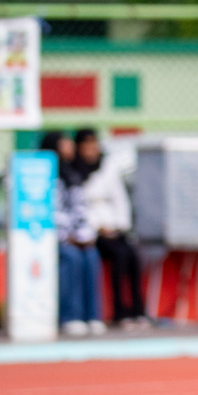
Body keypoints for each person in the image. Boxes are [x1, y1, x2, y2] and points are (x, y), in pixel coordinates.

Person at [76, 129, 150, 331]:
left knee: (132, 255)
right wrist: (97, 227)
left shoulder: (107, 166)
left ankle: (138, 310)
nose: (91, 149)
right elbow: (80, 205)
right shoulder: (75, 171)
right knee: (118, 256)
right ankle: (119, 311)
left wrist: (119, 226)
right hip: (92, 231)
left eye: (94, 144)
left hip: (113, 227)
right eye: (86, 145)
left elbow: (119, 199)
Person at [42, 131, 105, 337]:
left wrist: (85, 236)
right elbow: (50, 211)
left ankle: (92, 316)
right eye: (64, 143)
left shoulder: (74, 174)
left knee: (91, 256)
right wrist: (66, 236)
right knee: (71, 258)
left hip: (76, 236)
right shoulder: (45, 175)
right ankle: (70, 316)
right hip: (55, 238)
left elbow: (80, 210)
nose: (70, 147)